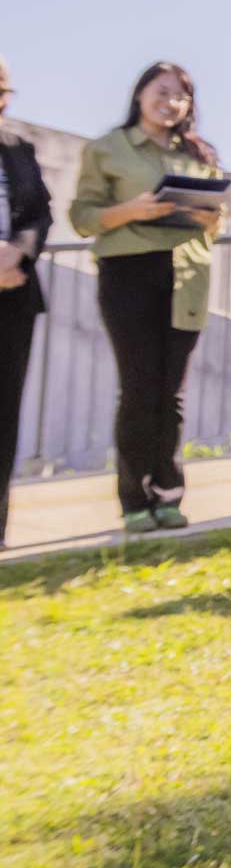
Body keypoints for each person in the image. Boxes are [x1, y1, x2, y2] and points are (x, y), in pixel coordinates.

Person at [69, 62, 226, 534]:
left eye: (180, 95)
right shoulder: (107, 148)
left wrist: (208, 220)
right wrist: (133, 210)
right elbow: (82, 216)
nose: (170, 102)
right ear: (139, 95)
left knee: (171, 394)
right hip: (129, 274)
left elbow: (213, 224)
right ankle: (134, 500)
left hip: (186, 276)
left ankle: (169, 495)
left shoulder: (199, 155)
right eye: (161, 92)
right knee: (139, 388)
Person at [0, 57, 54, 548]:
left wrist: (17, 251)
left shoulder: (19, 149)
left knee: (4, 413)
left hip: (12, 293)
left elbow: (39, 211)